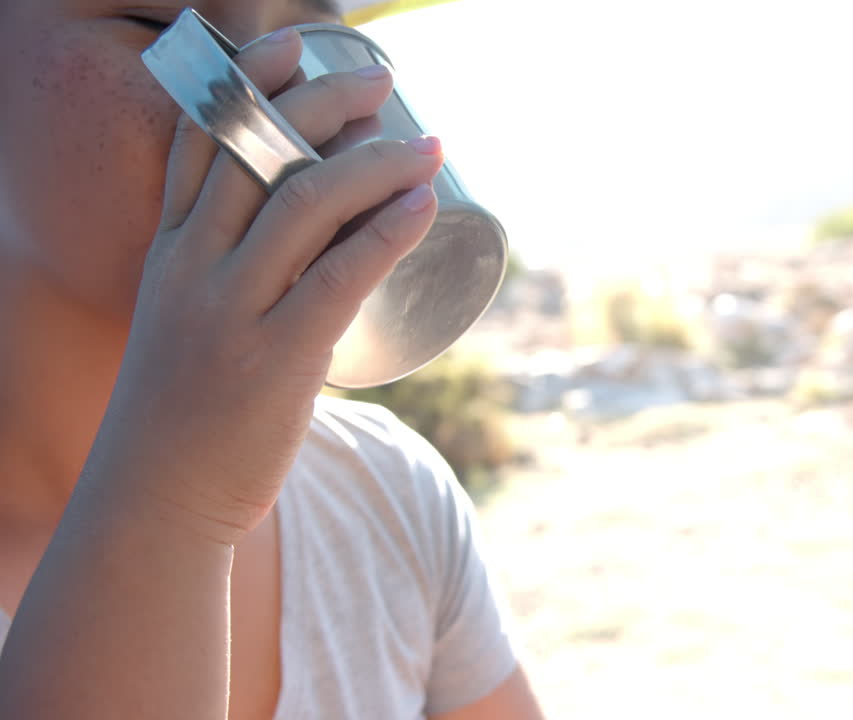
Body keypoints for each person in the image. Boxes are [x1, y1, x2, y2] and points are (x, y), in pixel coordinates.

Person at [0, 1, 543, 718]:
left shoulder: (387, 496)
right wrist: (175, 497)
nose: (277, 93)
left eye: (315, 35)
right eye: (160, 26)